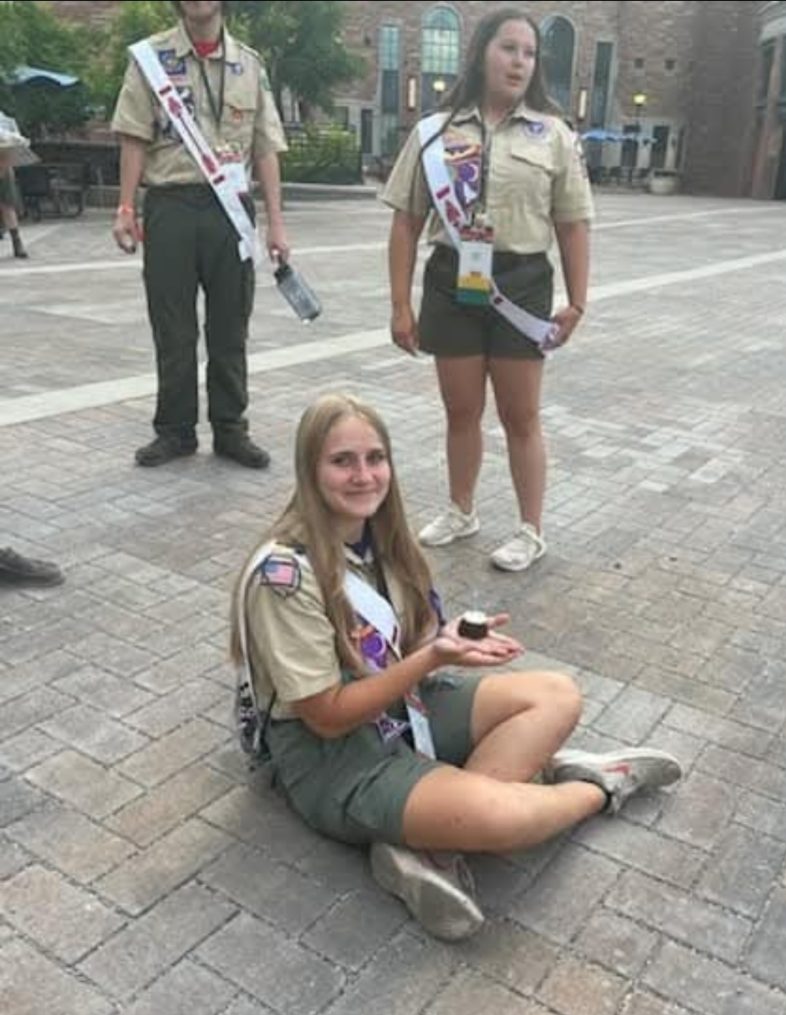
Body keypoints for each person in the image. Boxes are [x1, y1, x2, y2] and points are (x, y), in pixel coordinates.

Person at [231, 394, 681, 941]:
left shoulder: (382, 537)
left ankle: (431, 842)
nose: (364, 475)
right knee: (506, 823)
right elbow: (325, 717)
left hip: (400, 709)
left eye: (375, 458)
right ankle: (597, 786)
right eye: (342, 461)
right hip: (335, 755)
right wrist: (432, 656)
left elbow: (411, 640)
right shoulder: (287, 574)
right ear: (309, 469)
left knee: (556, 694)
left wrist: (447, 644)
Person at [382, 8, 593, 572]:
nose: (520, 61)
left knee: (520, 414)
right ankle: (462, 509)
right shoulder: (434, 131)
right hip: (453, 280)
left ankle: (530, 528)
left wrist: (577, 301)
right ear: (481, 54)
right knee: (461, 409)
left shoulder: (554, 136)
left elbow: (573, 223)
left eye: (529, 53)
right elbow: (405, 220)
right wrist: (401, 305)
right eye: (509, 48)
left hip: (521, 284)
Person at [111, 0, 290, 469]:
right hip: (170, 205)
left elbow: (266, 147)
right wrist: (127, 207)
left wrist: (277, 222)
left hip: (230, 211)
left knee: (231, 322)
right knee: (173, 324)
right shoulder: (150, 58)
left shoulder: (249, 65)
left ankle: (231, 429)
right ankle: (175, 430)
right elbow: (134, 136)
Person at [0, 116, 29, 260]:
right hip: (4, 167)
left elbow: (16, 141)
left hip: (3, 169)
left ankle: (17, 243)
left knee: (7, 206)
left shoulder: (4, 120)